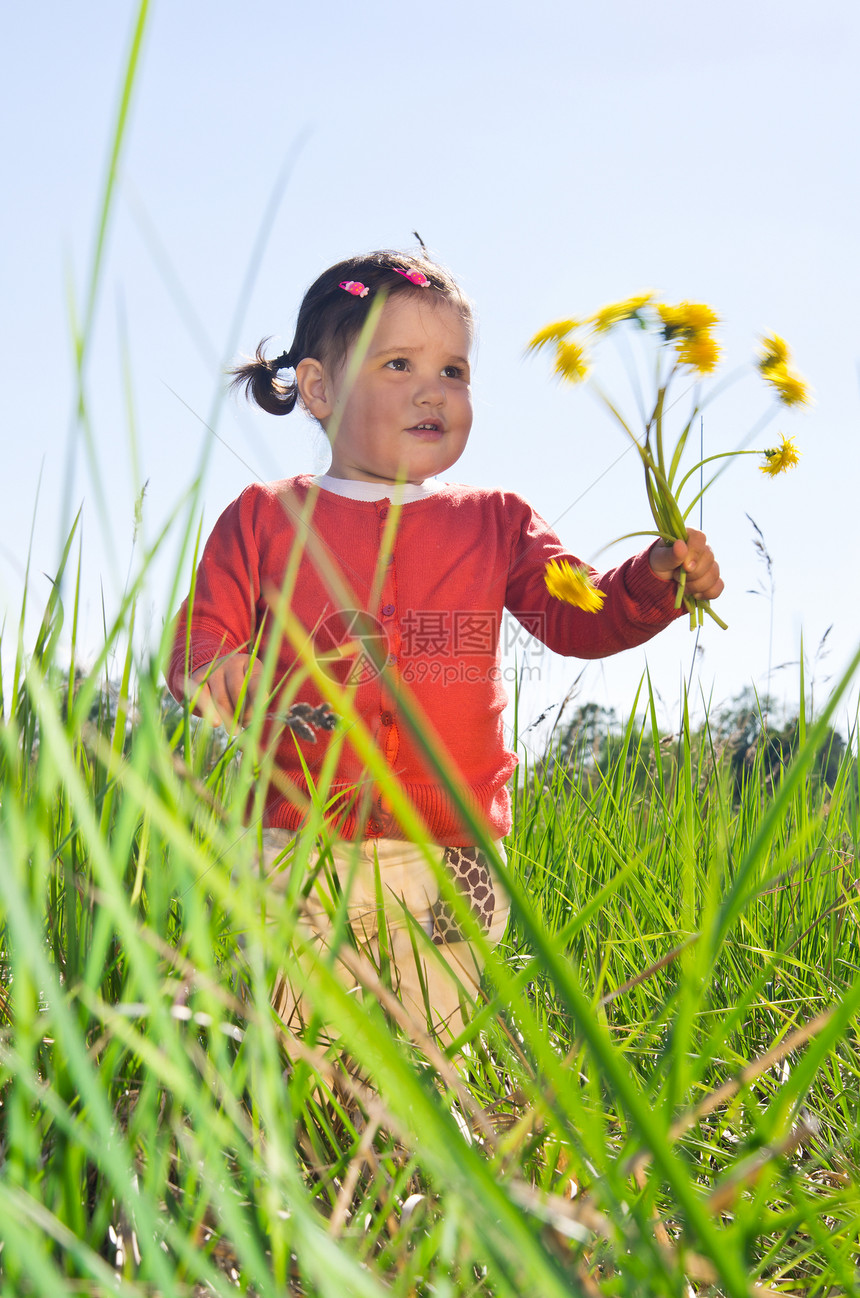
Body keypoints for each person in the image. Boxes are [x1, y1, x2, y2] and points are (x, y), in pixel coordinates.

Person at [166, 249, 723, 1046]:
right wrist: (223, 669)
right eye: (399, 363)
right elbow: (200, 638)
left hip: (451, 853)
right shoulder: (262, 517)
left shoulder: (497, 521)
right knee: (295, 1040)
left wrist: (656, 579)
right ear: (318, 389)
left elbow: (584, 616)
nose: (435, 390)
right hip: (298, 842)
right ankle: (304, 1146)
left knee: (428, 1044)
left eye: (454, 371)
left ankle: (417, 1151)